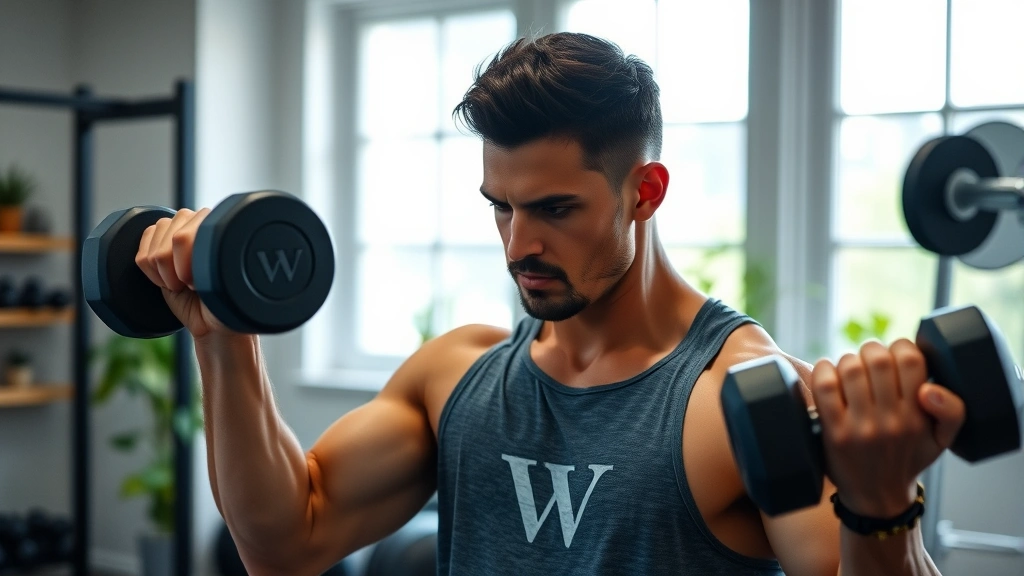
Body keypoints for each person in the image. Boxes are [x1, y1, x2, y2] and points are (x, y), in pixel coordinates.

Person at [135, 32, 966, 575]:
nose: (517, 244)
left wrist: (881, 506)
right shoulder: (456, 375)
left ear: (645, 191)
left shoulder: (740, 397)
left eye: (555, 210)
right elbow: (284, 540)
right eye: (501, 205)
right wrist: (223, 336)